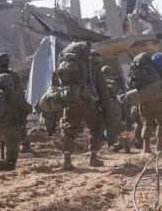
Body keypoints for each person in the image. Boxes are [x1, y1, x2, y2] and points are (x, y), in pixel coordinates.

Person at [42, 42, 112, 170]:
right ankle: (93, 158)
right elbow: (103, 92)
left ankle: (67, 160)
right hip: (88, 102)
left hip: (70, 100)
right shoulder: (95, 70)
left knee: (69, 130)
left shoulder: (66, 67)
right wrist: (107, 109)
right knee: (96, 129)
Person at [127, 52, 162, 153]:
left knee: (147, 123)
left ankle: (146, 148)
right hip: (159, 99)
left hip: (144, 100)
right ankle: (160, 146)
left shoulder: (141, 71)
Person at [0, 53, 31, 152]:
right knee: (1, 123)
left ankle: (25, 144)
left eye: (5, 61)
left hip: (14, 101)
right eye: (2, 62)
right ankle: (2, 147)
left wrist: (19, 100)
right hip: (1, 103)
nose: (4, 63)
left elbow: (19, 88)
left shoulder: (13, 74)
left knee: (22, 121)